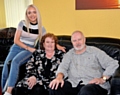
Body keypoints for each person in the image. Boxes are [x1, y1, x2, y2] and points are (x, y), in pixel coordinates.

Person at [1, 4, 65, 95]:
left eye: (34, 12)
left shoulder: (41, 28)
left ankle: (9, 91)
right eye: (29, 13)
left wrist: (58, 46)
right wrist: (27, 47)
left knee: (15, 62)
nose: (32, 15)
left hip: (28, 50)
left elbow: (47, 40)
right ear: (26, 15)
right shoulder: (22, 23)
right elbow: (16, 40)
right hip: (17, 47)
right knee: (5, 69)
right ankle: (3, 91)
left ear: (37, 14)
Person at [49, 30, 119, 95]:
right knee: (55, 87)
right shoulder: (69, 54)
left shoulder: (95, 52)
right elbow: (62, 67)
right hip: (74, 83)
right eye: (74, 41)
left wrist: (103, 78)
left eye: (79, 39)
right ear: (72, 42)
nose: (77, 43)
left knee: (86, 91)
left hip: (93, 84)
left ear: (84, 39)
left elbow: (113, 64)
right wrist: (59, 78)